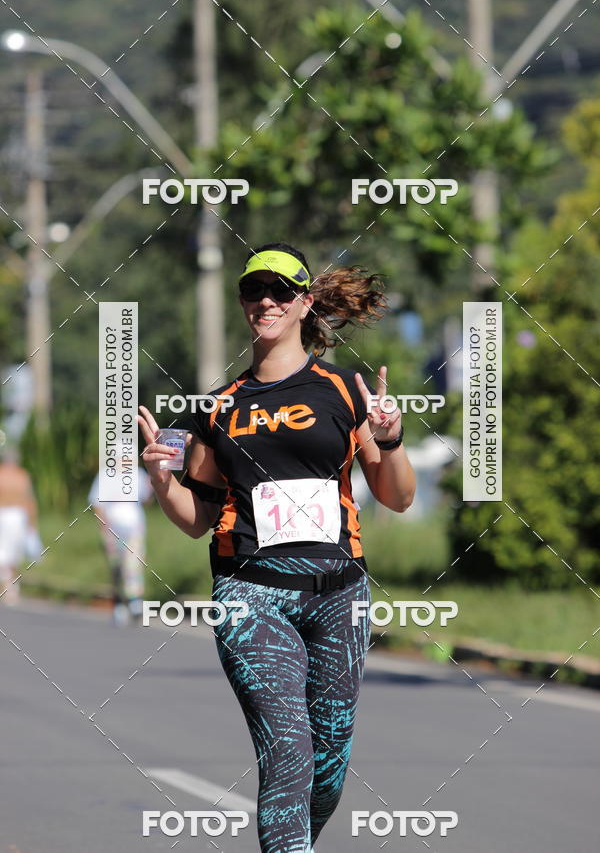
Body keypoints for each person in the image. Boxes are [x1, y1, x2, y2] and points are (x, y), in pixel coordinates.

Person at [137, 242, 416, 852]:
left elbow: (396, 498)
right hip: (251, 595)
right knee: (287, 747)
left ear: (304, 302)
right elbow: (197, 518)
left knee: (329, 764)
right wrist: (162, 481)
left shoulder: (343, 391)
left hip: (339, 596)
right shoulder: (220, 406)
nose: (265, 301)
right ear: (242, 302)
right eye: (253, 292)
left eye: (280, 292)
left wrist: (391, 440)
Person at [88, 459, 153, 625]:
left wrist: (152, 485)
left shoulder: (138, 475)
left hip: (134, 526)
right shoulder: (105, 476)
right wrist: (104, 526)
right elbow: (97, 504)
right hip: (112, 527)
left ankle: (135, 600)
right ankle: (119, 603)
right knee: (116, 566)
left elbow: (146, 499)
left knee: (134, 563)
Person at [0, 446, 39, 606]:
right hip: (15, 517)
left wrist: (31, 523)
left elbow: (29, 501)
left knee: (7, 552)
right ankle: (11, 586)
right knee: (11, 553)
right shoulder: (22, 476)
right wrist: (32, 523)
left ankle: (9, 585)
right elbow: (30, 501)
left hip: (8, 516)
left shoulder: (6, 475)